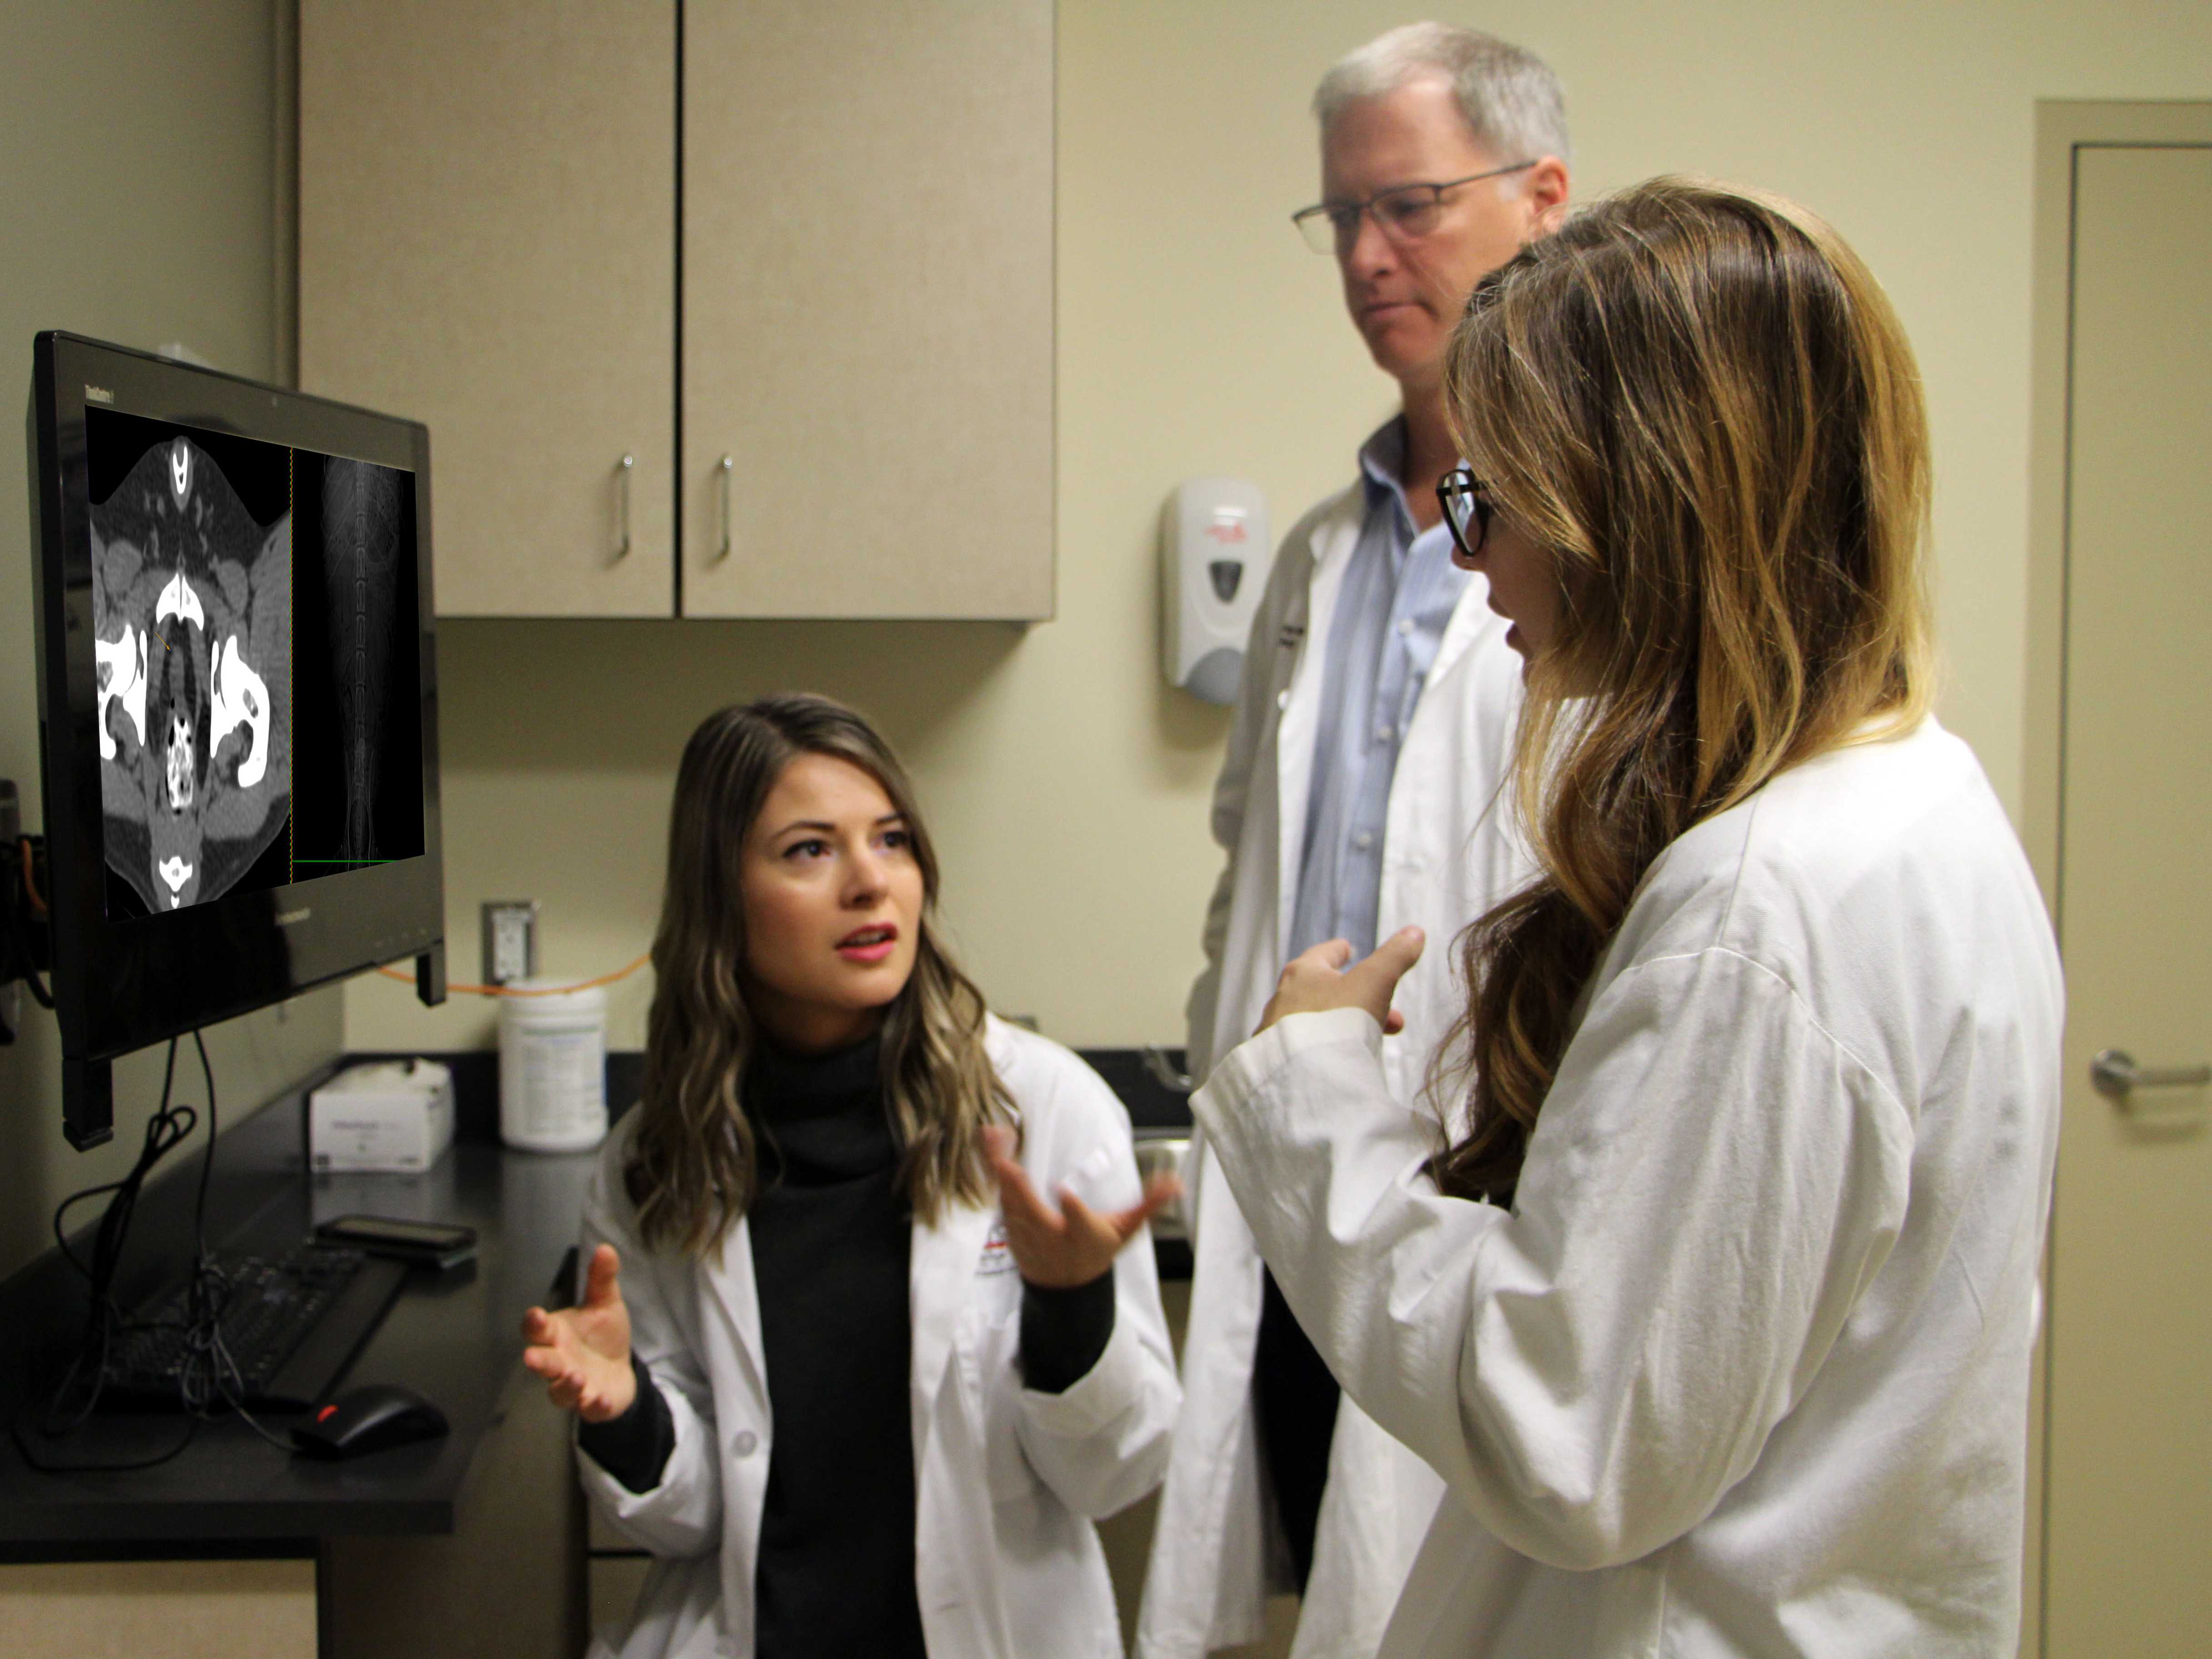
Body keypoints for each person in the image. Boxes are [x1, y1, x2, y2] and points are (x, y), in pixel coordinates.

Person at [1193, 178, 2064, 1659]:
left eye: (1488, 490)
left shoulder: (1763, 907)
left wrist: (1318, 1096)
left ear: (1638, 497)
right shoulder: (1919, 799)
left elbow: (1568, 1435)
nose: (1462, 553)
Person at [1138, 25, 1567, 1659]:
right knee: (1319, 1588)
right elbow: (1248, 862)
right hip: (1303, 1190)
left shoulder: (1596, 547)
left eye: (1409, 205)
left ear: (1541, 198)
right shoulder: (1325, 553)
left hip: (1479, 1204)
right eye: (1340, 219)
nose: (1369, 257)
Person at [522, 694, 1181, 1659]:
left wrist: (1071, 1312)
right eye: (809, 850)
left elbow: (1112, 1477)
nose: (872, 884)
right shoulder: (653, 1161)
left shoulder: (1042, 1114)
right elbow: (687, 1521)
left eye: (893, 840)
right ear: (721, 894)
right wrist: (626, 1414)